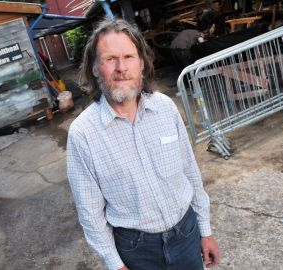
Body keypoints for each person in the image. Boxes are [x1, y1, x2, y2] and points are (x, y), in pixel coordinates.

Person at [66, 18, 219, 270]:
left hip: (187, 233)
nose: (121, 68)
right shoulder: (83, 134)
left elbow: (190, 173)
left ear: (142, 64)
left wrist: (205, 230)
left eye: (129, 57)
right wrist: (115, 264)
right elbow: (90, 214)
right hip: (136, 250)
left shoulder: (165, 107)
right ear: (94, 68)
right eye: (109, 59)